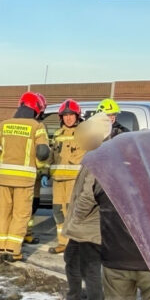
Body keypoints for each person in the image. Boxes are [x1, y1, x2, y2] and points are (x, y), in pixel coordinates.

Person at [49, 112, 112, 300]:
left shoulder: (101, 157)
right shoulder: (94, 153)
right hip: (81, 225)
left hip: (90, 226)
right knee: (71, 258)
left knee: (91, 270)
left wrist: (74, 219)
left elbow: (88, 195)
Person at [0, 91, 51, 262]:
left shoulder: (4, 124)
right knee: (21, 214)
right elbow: (43, 152)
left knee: (3, 212)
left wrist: (4, 159)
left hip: (5, 177)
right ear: (36, 109)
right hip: (25, 179)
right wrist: (36, 164)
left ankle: (1, 248)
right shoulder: (37, 127)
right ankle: (14, 251)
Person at [47, 99, 86, 254]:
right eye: (65, 115)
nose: (68, 118)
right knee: (58, 211)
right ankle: (62, 242)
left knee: (72, 212)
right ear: (61, 117)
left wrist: (67, 160)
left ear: (77, 116)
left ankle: (74, 243)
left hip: (73, 180)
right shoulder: (57, 134)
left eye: (71, 115)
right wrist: (45, 171)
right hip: (57, 180)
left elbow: (81, 154)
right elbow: (51, 154)